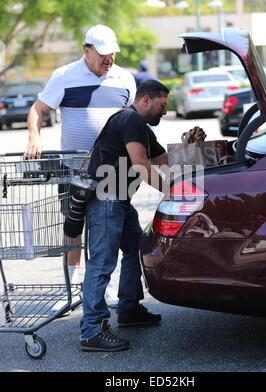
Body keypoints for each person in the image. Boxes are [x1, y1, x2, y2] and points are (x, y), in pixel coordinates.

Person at [80, 80, 206, 352]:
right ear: (146, 100)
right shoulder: (131, 120)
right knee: (102, 263)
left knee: (136, 248)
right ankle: (91, 330)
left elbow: (167, 161)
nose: (165, 111)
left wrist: (190, 144)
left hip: (119, 200)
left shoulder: (141, 128)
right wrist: (172, 194)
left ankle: (128, 310)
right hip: (106, 200)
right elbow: (140, 166)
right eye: (162, 105)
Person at [25, 24, 137, 309]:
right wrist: (34, 138)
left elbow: (132, 119)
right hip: (74, 170)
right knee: (73, 230)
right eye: (101, 53)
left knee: (110, 230)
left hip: (115, 170)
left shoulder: (125, 78)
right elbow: (38, 110)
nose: (108, 59)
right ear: (86, 51)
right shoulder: (64, 76)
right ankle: (71, 289)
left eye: (111, 53)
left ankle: (106, 288)